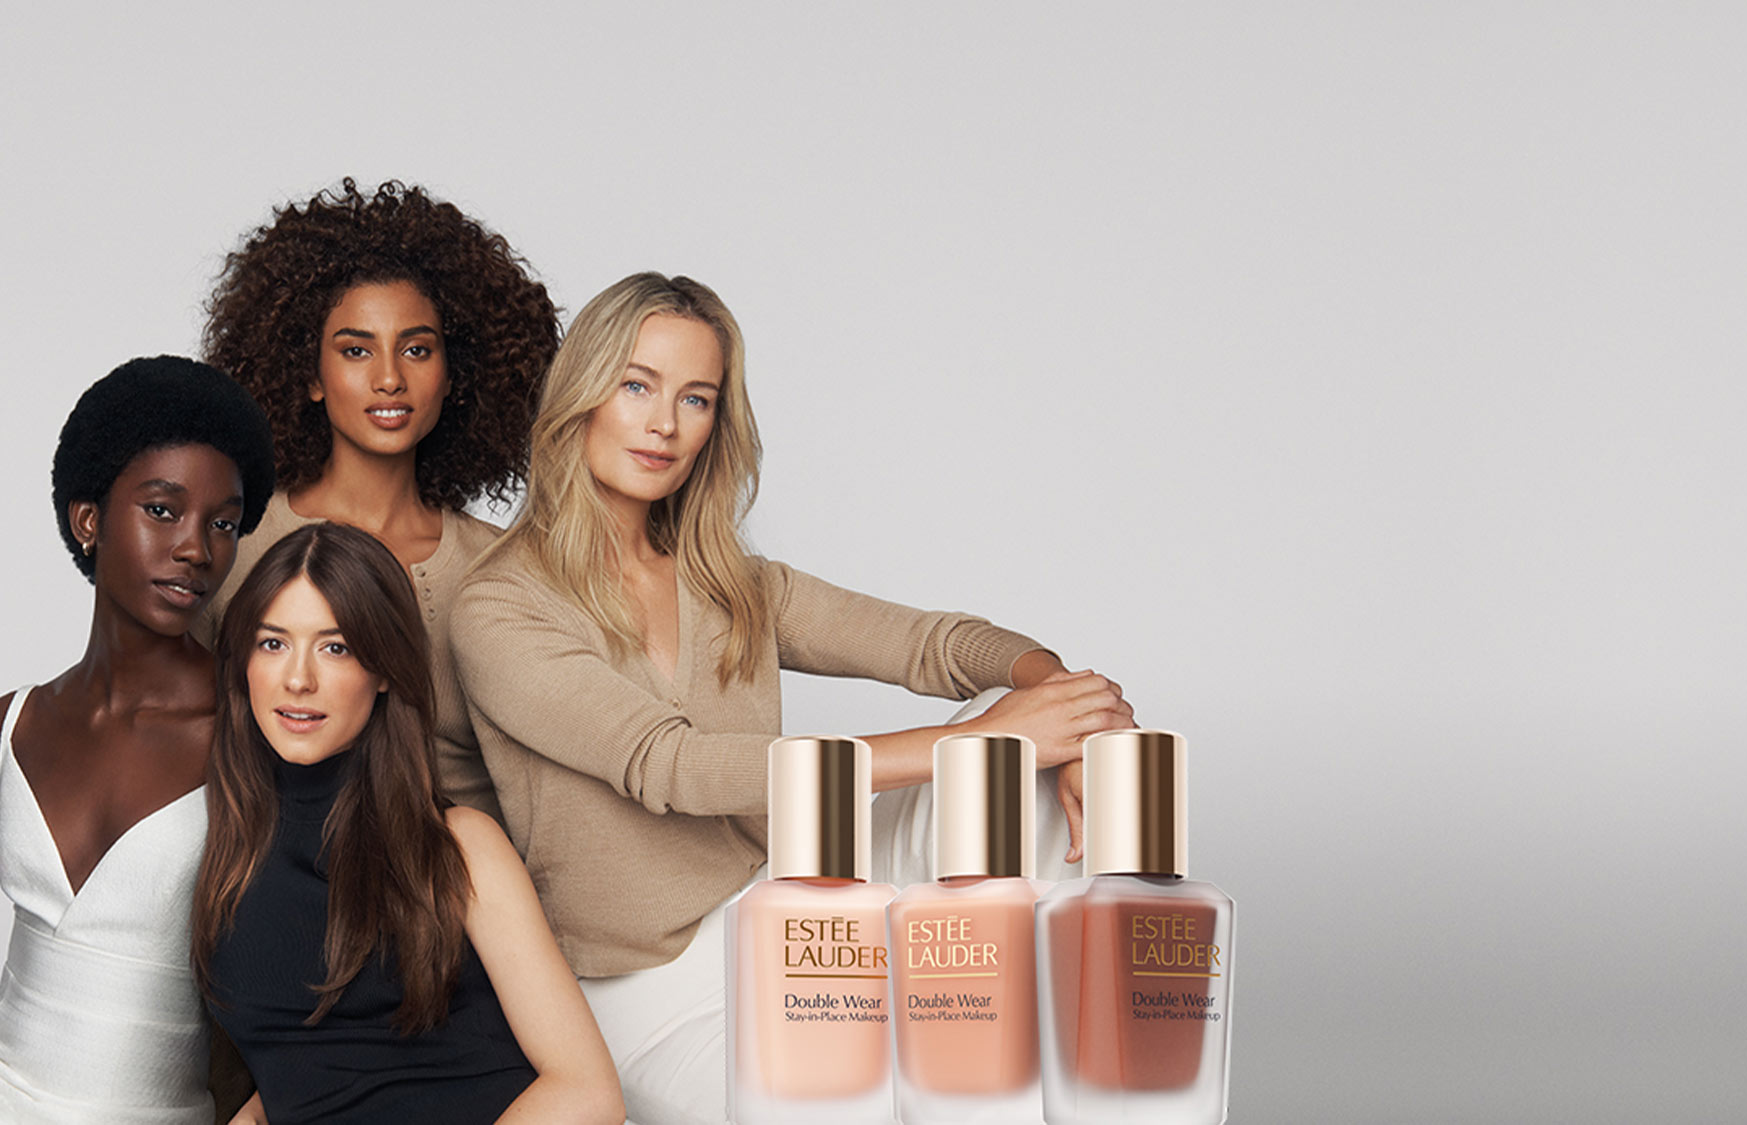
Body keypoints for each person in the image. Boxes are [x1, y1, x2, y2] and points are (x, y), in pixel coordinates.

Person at [450, 272, 1135, 1123]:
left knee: (1021, 770)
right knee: (843, 1106)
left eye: (695, 399)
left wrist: (1080, 721)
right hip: (649, 986)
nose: (665, 424)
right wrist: (990, 741)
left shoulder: (731, 582)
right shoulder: (499, 605)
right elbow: (672, 766)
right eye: (637, 386)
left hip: (798, 901)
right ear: (581, 395)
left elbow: (939, 644)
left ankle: (990, 1074)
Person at [193, 523, 623, 1125]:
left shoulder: (461, 845)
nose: (298, 679)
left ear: (386, 668)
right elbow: (306, 1064)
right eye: (273, 643)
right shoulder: (225, 850)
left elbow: (586, 1092)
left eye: (335, 647)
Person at [196, 178, 560, 820]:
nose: (390, 378)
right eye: (356, 350)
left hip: (465, 894)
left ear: (455, 375)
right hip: (280, 893)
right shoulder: (238, 543)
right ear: (309, 374)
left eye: (417, 349)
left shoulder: (507, 568)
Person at [0, 356, 275, 1122]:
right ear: (89, 519)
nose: (197, 548)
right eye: (163, 510)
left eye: (222, 523)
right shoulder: (12, 724)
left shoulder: (251, 736)